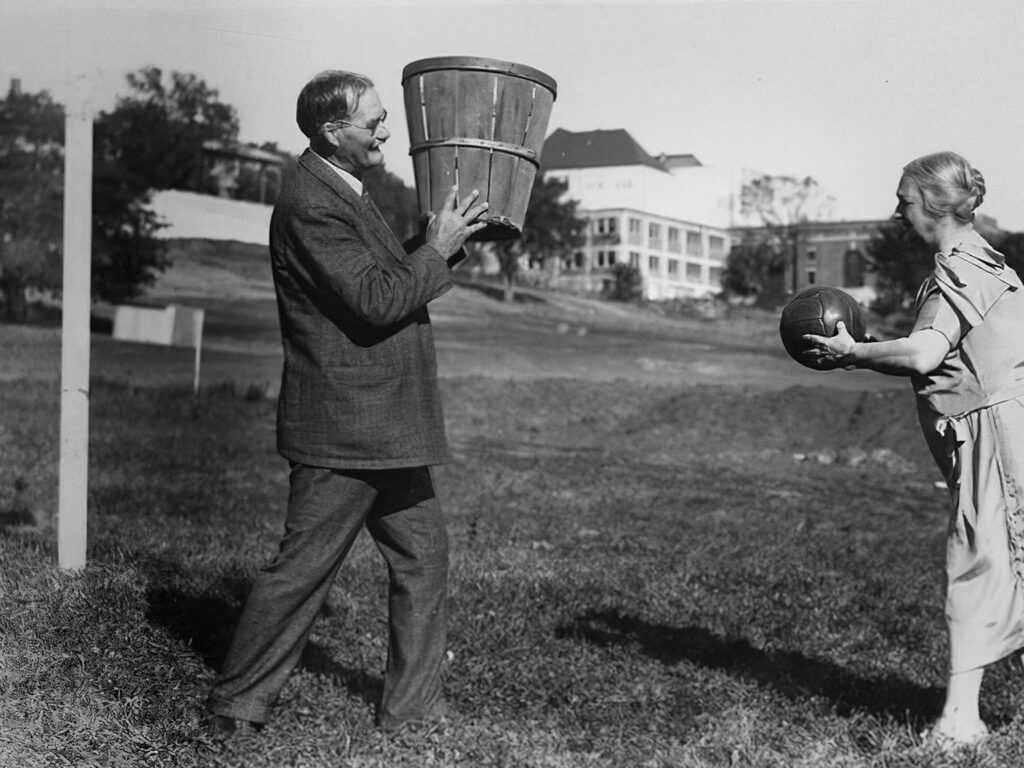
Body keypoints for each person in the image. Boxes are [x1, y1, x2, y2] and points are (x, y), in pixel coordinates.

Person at [206, 70, 489, 735]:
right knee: (301, 571)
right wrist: (437, 250)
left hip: (384, 422)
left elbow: (386, 280)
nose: (386, 132)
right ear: (332, 132)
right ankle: (233, 708)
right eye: (374, 123)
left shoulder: (346, 190)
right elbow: (376, 300)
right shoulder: (313, 201)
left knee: (424, 557)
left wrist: (440, 246)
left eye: (386, 118)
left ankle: (410, 710)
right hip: (345, 425)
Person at [804, 151, 1024, 746]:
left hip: (994, 440)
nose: (896, 210)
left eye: (903, 198)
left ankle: (960, 721)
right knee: (1006, 563)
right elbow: (935, 363)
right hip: (997, 434)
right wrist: (868, 351)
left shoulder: (964, 269)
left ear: (932, 203)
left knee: (976, 563)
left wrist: (850, 352)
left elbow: (924, 354)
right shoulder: (982, 263)